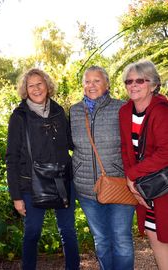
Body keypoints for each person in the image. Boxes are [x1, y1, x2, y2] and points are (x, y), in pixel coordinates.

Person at [5, 68, 80, 270]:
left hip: (62, 181)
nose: (37, 89)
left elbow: (72, 143)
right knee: (32, 232)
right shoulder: (19, 117)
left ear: (47, 86)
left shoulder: (58, 112)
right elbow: (11, 158)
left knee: (68, 231)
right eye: (31, 85)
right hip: (31, 184)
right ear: (25, 90)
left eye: (40, 84)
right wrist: (16, 196)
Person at [70, 65, 135, 270]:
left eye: (97, 80)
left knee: (122, 240)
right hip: (87, 187)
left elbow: (133, 144)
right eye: (87, 81)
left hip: (119, 184)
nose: (91, 85)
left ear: (107, 84)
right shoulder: (74, 111)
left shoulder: (122, 108)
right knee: (102, 241)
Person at [119, 59, 168, 270]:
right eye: (128, 81)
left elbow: (166, 152)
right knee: (153, 233)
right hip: (145, 187)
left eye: (140, 80)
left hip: (165, 187)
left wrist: (132, 176)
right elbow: (126, 149)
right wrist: (135, 184)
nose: (133, 85)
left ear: (153, 84)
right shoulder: (124, 112)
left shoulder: (162, 111)